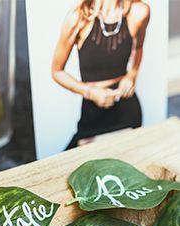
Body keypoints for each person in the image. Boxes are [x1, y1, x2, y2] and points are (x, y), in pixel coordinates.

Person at [52, 0, 150, 149]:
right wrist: (90, 93)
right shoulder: (78, 18)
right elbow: (56, 71)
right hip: (92, 113)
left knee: (128, 167)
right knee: (73, 167)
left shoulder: (139, 11)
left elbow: (138, 48)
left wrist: (132, 75)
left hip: (127, 110)